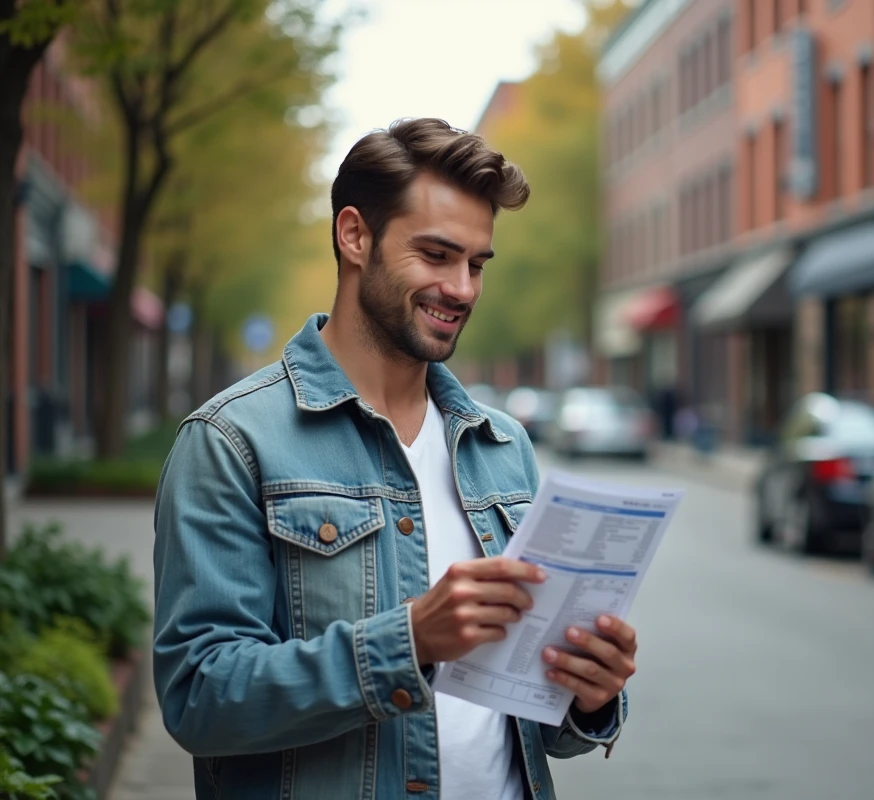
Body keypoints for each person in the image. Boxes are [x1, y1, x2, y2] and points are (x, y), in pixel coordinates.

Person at [152, 118, 635, 800]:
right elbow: (200, 698)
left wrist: (589, 694)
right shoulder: (231, 441)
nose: (462, 289)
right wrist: (407, 643)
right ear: (355, 236)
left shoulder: (503, 446)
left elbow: (535, 724)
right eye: (436, 255)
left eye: (476, 264)